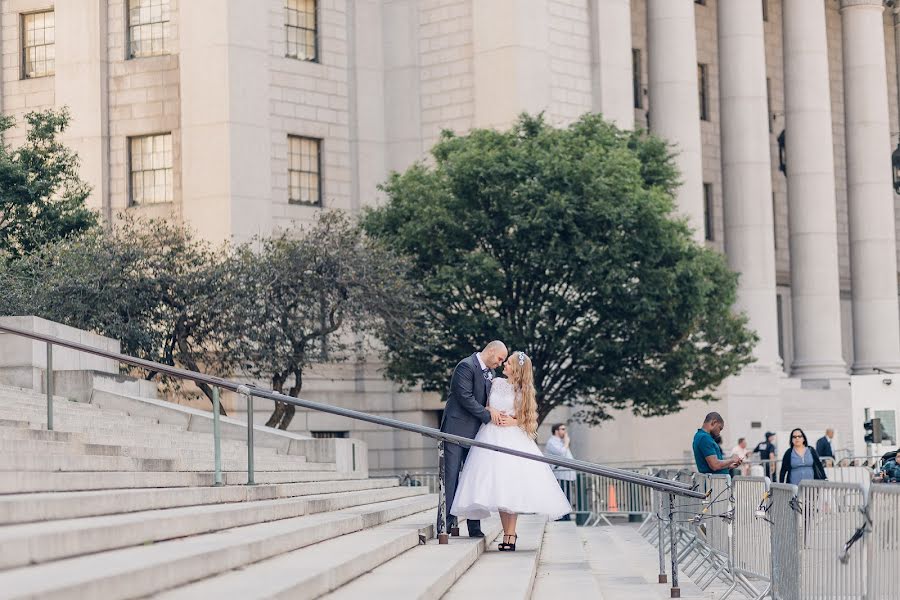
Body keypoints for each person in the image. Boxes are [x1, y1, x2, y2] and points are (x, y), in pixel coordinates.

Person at [451, 351, 571, 551]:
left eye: (508, 363)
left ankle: (510, 535)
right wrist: (492, 412)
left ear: (516, 368)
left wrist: (513, 421)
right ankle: (509, 533)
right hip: (490, 436)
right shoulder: (496, 382)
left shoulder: (524, 391)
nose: (504, 364)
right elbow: (486, 406)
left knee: (510, 487)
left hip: (512, 438)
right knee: (499, 489)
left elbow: (529, 420)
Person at [439, 341, 508, 538]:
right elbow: (465, 397)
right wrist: (488, 414)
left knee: (473, 479)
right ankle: (445, 524)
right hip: (455, 429)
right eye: (500, 358)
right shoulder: (466, 366)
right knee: (450, 477)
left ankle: (474, 527)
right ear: (491, 350)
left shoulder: (491, 374)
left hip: (477, 434)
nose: (500, 363)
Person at [544, 423, 575, 521]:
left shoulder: (561, 442)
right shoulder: (552, 442)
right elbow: (561, 453)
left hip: (566, 475)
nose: (565, 431)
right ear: (556, 431)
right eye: (562, 429)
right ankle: (563, 519)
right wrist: (566, 443)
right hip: (560, 475)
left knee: (567, 498)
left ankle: (566, 518)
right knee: (563, 499)